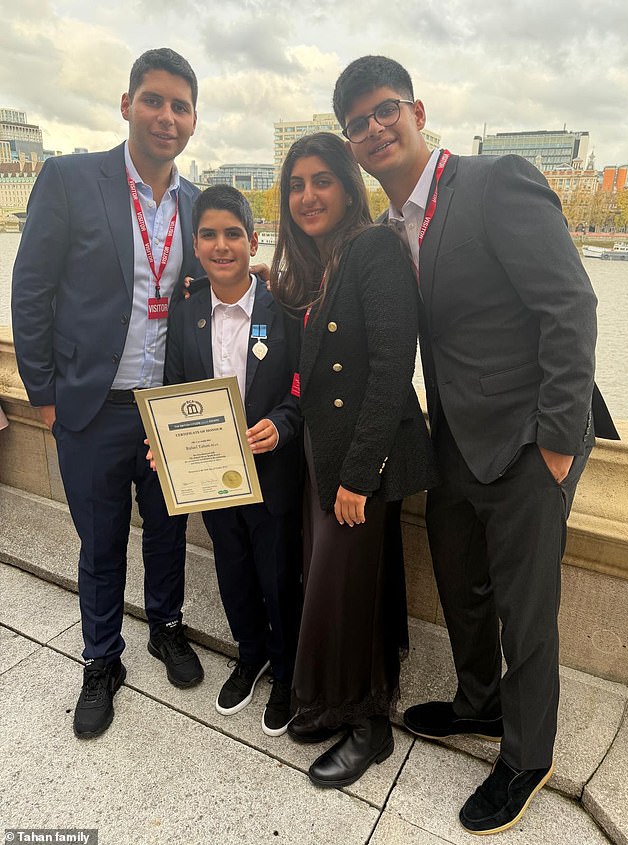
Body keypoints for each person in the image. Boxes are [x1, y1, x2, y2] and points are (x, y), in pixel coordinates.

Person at [332, 55, 619, 834]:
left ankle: (527, 755)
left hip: (530, 436)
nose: (374, 128)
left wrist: (557, 445)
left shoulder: (496, 183)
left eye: (385, 109)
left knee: (527, 610)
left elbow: (572, 307)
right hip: (456, 436)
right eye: (356, 123)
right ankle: (479, 703)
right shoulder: (391, 229)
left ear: (417, 110)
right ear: (351, 144)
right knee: (462, 582)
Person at [11, 48, 204, 739]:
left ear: (192, 121)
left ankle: (167, 626)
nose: (166, 116)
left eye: (180, 106)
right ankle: (101, 659)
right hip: (90, 408)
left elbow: (212, 292)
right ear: (127, 105)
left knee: (169, 531)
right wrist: (47, 398)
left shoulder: (196, 203)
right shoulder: (70, 179)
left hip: (168, 411)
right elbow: (30, 290)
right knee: (99, 544)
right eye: (154, 100)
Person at [270, 132, 438, 788]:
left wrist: (358, 475)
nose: (307, 195)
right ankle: (329, 701)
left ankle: (368, 724)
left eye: (321, 181)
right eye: (296, 184)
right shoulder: (322, 264)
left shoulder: (374, 249)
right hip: (325, 452)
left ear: (347, 185)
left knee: (348, 589)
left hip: (357, 461)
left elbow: (395, 366)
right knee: (340, 581)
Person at [161, 185, 302, 736]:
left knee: (277, 576)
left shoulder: (279, 308)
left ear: (253, 240)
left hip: (271, 474)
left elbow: (300, 388)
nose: (222, 246)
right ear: (196, 245)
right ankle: (250, 654)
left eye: (233, 234)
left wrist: (283, 423)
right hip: (213, 478)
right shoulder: (188, 312)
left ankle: (286, 670)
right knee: (232, 570)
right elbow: (174, 390)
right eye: (210, 235)